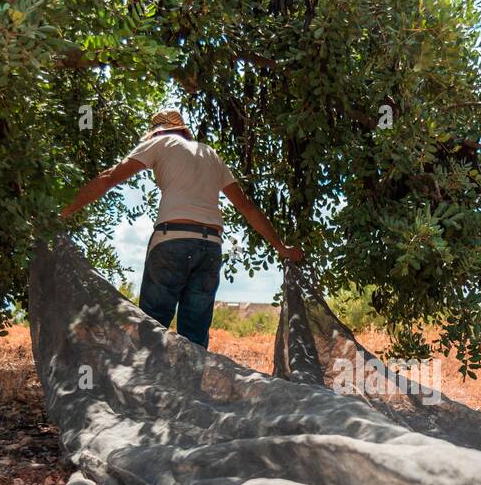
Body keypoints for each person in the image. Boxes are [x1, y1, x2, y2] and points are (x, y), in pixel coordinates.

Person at [61, 109, 303, 348]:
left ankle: (151, 385)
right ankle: (191, 387)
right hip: (210, 248)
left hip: (172, 241)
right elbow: (247, 208)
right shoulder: (210, 154)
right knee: (195, 337)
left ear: (157, 132)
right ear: (183, 131)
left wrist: (63, 212)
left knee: (152, 329)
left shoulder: (160, 143)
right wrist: (281, 247)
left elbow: (110, 177)